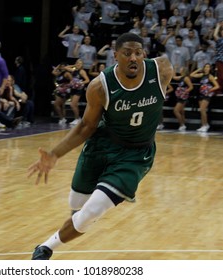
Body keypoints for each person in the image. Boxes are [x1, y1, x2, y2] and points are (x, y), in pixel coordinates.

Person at [27, 33, 173, 260]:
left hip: (135, 155)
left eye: (138, 53)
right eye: (127, 53)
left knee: (89, 213)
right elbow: (86, 127)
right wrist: (54, 154)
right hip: (101, 147)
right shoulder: (100, 86)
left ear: (143, 54)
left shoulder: (161, 70)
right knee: (77, 209)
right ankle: (86, 214)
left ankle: (45, 249)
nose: (133, 58)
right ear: (115, 56)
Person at [190, 63, 220, 132]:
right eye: (205, 67)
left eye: (208, 67)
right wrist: (198, 69)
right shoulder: (202, 75)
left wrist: (210, 90)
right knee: (202, 111)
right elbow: (191, 75)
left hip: (207, 95)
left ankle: (206, 125)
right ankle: (203, 125)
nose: (206, 68)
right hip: (201, 94)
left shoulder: (210, 76)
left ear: (210, 69)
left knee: (202, 109)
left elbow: (217, 86)